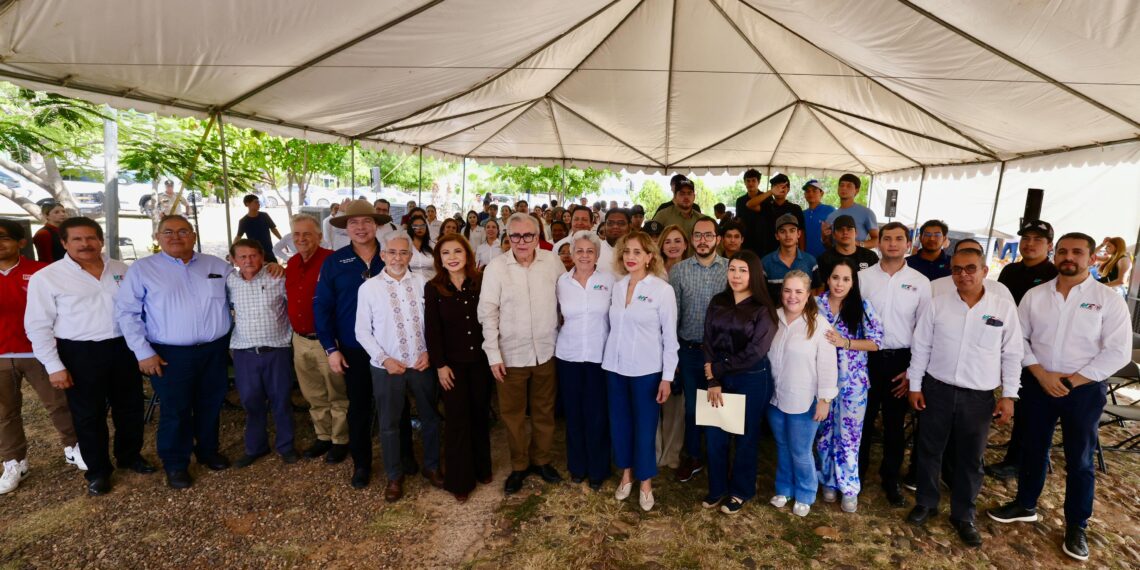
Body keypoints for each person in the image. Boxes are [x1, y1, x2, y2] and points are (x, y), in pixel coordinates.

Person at [986, 233, 1131, 562]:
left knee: (1079, 459)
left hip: (1084, 389)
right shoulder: (1036, 295)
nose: (1069, 257)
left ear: (1091, 258)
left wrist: (1072, 380)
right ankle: (1025, 504)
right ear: (1055, 254)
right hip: (1039, 383)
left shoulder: (1108, 299)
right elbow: (1018, 338)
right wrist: (1040, 373)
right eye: (1063, 251)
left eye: (1077, 252)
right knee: (1032, 448)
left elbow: (1118, 351)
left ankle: (1077, 524)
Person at [904, 248, 1022, 547]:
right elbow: (921, 347)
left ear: (984, 270)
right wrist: (915, 385)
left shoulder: (1003, 308)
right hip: (937, 389)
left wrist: (1009, 395)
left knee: (971, 458)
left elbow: (1012, 354)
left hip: (978, 396)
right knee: (929, 451)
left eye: (970, 268)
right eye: (957, 269)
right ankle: (927, 503)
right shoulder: (937, 305)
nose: (963, 274)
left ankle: (963, 514)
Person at [115, 215, 234, 489]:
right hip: (169, 353)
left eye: (183, 231)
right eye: (168, 232)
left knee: (211, 402)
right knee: (176, 409)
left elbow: (246, 284)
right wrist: (143, 352)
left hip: (214, 350)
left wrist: (273, 270)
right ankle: (176, 463)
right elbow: (127, 313)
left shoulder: (217, 265)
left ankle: (207, 451)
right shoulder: (143, 269)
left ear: (193, 235)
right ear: (157, 237)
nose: (176, 237)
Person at [315, 200, 407, 489]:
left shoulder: (393, 255)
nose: (360, 227)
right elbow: (322, 308)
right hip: (354, 349)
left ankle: (405, 458)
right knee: (359, 408)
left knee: (397, 406)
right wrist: (331, 348)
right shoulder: (334, 262)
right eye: (353, 223)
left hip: (392, 349)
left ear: (376, 224)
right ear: (346, 228)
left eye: (366, 221)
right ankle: (362, 464)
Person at [478, 213, 564, 494]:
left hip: (546, 352)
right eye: (515, 236)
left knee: (543, 411)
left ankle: (541, 460)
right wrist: (493, 355)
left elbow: (566, 299)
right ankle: (518, 465)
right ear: (508, 236)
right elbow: (487, 313)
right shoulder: (496, 268)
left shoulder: (551, 261)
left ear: (538, 236)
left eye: (529, 235)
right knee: (513, 415)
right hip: (510, 355)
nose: (522, 241)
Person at [355, 232, 442, 502]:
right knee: (389, 424)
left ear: (410, 256)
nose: (397, 257)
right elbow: (362, 331)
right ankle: (394, 476)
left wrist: (429, 352)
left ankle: (432, 465)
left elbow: (434, 323)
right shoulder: (369, 288)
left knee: (430, 417)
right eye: (392, 252)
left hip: (420, 362)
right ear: (382, 255)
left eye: (403, 253)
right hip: (387, 366)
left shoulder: (423, 282)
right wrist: (384, 359)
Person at [2, 219, 85, 495]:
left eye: (5, 238)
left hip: (39, 351)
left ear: (21, 243)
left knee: (59, 403)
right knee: (5, 413)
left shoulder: (41, 272)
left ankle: (73, 447)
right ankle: (14, 462)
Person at [857, 221, 931, 506]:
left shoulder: (920, 283)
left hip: (901, 361)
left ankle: (891, 480)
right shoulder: (864, 278)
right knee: (862, 422)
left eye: (899, 239)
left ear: (908, 244)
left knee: (893, 425)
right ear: (879, 243)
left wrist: (913, 372)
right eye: (887, 238)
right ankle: (857, 477)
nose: (892, 244)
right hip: (866, 359)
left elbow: (924, 331)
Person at [603, 231, 677, 512]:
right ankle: (626, 474)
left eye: (637, 252)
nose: (631, 257)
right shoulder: (618, 286)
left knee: (645, 428)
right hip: (615, 367)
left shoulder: (661, 290)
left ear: (650, 257)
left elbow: (670, 337)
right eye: (627, 251)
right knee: (620, 423)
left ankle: (645, 481)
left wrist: (667, 377)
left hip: (647, 370)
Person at [701, 251, 778, 514]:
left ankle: (741, 491)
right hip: (718, 379)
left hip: (751, 379)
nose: (736, 275)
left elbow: (756, 351)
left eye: (742, 270)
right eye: (732, 269)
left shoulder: (763, 308)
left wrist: (719, 368)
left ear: (753, 274)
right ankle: (717, 487)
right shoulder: (718, 301)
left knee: (745, 438)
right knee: (715, 436)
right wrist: (713, 379)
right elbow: (708, 340)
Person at [986, 219, 1058, 481]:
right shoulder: (1010, 272)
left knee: (1028, 410)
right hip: (1006, 345)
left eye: (1037, 240)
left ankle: (1018, 462)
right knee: (1013, 401)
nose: (1029, 244)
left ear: (1049, 245)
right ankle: (1014, 455)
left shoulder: (1053, 275)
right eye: (1025, 239)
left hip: (1035, 351)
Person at [424, 234, 492, 501]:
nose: (452, 257)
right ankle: (460, 481)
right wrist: (440, 365)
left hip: (479, 363)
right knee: (456, 421)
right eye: (445, 253)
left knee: (479, 415)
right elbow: (432, 330)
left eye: (457, 252)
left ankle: (481, 467)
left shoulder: (480, 282)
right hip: (451, 367)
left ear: (467, 254)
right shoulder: (434, 287)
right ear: (439, 259)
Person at [767, 270, 838, 517]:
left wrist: (825, 400)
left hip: (804, 400)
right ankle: (784, 488)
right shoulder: (772, 318)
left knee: (801, 450)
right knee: (782, 446)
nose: (792, 296)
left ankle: (806, 493)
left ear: (808, 295)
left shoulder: (819, 325)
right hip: (775, 398)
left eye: (799, 291)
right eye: (788, 290)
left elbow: (828, 366)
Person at [816, 259, 883, 512]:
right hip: (822, 382)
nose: (839, 283)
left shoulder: (862, 306)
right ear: (828, 279)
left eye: (845, 279)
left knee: (849, 437)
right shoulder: (816, 305)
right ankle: (828, 482)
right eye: (835, 277)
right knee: (824, 435)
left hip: (853, 384)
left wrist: (845, 342)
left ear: (853, 282)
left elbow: (877, 341)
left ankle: (849, 487)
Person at [226, 239, 297, 468]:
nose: (248, 261)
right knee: (250, 401)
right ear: (233, 260)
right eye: (242, 257)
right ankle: (256, 446)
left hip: (276, 350)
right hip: (244, 352)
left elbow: (293, 306)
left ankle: (286, 446)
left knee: (281, 399)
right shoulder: (229, 281)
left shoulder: (277, 277)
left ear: (262, 256)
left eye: (253, 255)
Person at [283, 214, 348, 462]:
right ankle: (323, 436)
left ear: (319, 236)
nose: (301, 239)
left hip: (327, 340)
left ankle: (341, 440)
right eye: (296, 234)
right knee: (313, 393)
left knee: (337, 392)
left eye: (307, 234)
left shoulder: (332, 261)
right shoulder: (291, 263)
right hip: (299, 340)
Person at [667, 216, 727, 482]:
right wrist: (674, 354)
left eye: (709, 235)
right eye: (698, 236)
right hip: (689, 351)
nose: (703, 241)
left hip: (722, 352)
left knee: (720, 406)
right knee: (692, 408)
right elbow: (672, 316)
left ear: (718, 239)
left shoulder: (730, 269)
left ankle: (719, 458)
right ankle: (693, 457)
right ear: (692, 240)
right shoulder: (678, 271)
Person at [556, 231, 615, 491]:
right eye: (579, 250)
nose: (584, 255)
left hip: (599, 357)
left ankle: (598, 469)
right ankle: (577, 466)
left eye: (589, 251)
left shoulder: (609, 281)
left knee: (597, 415)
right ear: (570, 253)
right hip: (568, 356)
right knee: (574, 414)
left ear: (597, 256)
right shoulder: (561, 282)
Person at [654, 224, 689, 470]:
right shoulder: (652, 273)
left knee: (677, 405)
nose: (673, 245)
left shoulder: (690, 271)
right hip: (653, 345)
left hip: (682, 344)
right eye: (668, 241)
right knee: (653, 401)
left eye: (678, 241)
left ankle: (671, 454)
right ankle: (654, 452)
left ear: (686, 244)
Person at [930, 239, 1014, 302]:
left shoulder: (999, 290)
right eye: (963, 253)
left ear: (985, 270)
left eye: (974, 253)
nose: (968, 257)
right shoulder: (935, 286)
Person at [761, 214, 819, 303]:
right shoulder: (765, 263)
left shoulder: (810, 261)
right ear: (777, 236)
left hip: (804, 314)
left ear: (798, 234)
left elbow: (816, 289)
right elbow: (762, 294)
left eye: (792, 230)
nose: (788, 235)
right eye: (782, 231)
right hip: (774, 315)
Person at [753, 173, 806, 257]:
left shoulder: (795, 208)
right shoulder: (766, 206)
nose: (780, 189)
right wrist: (770, 192)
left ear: (788, 189)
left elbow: (801, 231)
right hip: (767, 251)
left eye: (783, 187)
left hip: (790, 252)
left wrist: (802, 251)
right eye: (776, 186)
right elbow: (749, 204)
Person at [823, 174, 878, 248]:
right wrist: (824, 237)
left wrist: (858, 244)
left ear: (856, 191)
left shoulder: (866, 213)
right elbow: (829, 246)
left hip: (858, 258)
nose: (844, 188)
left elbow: (877, 239)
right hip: (836, 258)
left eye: (849, 186)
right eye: (842, 185)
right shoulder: (831, 216)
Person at [818, 215, 879, 279]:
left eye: (849, 229)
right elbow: (822, 287)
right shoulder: (824, 259)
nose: (845, 232)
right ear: (833, 235)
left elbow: (878, 283)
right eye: (840, 229)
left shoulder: (870, 257)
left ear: (856, 233)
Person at [235, 194, 282, 263]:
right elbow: (238, 236)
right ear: (247, 204)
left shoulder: (264, 216)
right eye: (256, 202)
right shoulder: (243, 221)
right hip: (254, 253)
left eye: (258, 202)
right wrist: (232, 250)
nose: (259, 204)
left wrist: (282, 240)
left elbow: (273, 229)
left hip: (268, 251)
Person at [801, 179, 835, 259]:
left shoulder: (830, 210)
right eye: (808, 191)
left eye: (814, 190)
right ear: (805, 195)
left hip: (826, 258)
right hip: (806, 259)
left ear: (821, 193)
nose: (810, 193)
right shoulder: (802, 214)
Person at [734, 169, 764, 254]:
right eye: (748, 181)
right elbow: (739, 219)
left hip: (763, 241)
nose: (750, 183)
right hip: (746, 242)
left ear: (759, 182)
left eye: (753, 180)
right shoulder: (740, 201)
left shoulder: (766, 198)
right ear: (744, 182)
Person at [406, 213, 435, 280]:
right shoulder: (405, 246)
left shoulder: (433, 246)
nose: (419, 228)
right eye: (415, 226)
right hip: (411, 286)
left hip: (432, 284)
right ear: (410, 228)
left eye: (422, 226)